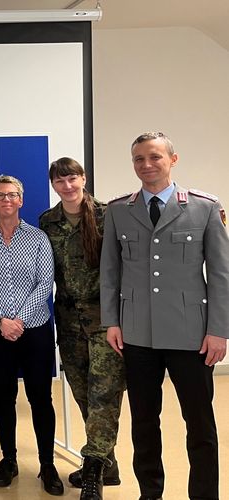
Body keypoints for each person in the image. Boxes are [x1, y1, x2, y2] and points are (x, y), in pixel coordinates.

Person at [100, 132, 228, 500]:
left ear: (173, 159)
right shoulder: (119, 210)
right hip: (138, 334)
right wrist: (113, 320)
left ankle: (204, 494)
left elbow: (220, 274)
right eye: (139, 159)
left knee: (200, 423)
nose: (146, 165)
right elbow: (110, 271)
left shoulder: (204, 207)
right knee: (143, 423)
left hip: (192, 334)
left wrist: (219, 330)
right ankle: (150, 493)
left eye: (154, 157)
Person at [0, 175, 64, 496]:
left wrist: (19, 321)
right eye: (0, 195)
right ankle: (8, 460)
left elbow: (45, 283)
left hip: (35, 330)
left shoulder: (38, 239)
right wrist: (1, 320)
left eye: (12, 195)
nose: (6, 200)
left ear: (21, 200)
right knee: (4, 396)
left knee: (41, 398)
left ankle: (47, 464)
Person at [39, 158, 124, 500]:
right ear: (53, 185)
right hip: (69, 320)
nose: (67, 186)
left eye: (72, 178)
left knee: (105, 394)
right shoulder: (48, 221)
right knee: (83, 393)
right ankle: (108, 462)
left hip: (106, 319)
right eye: (60, 181)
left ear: (83, 178)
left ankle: (92, 472)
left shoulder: (108, 215)